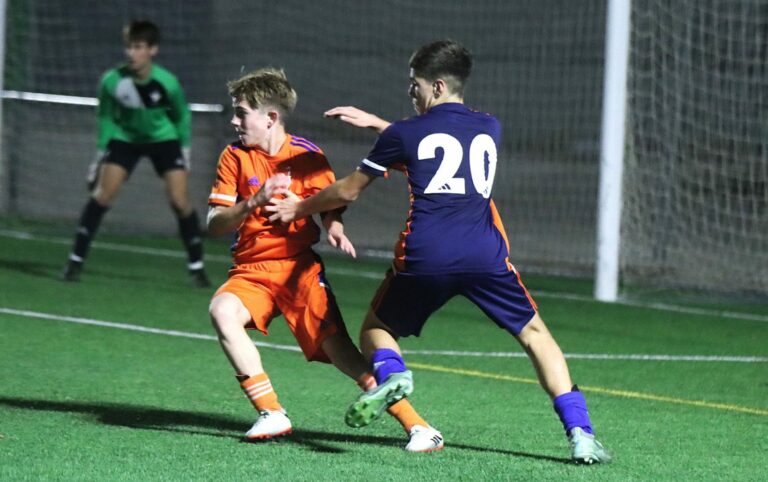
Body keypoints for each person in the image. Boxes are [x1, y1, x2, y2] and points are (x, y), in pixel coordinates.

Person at [266, 40, 611, 464]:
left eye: (415, 84)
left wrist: (299, 207)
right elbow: (440, 147)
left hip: (427, 256)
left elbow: (349, 191)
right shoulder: (490, 127)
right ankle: (581, 435)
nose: (411, 92)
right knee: (536, 336)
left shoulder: (405, 133)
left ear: (438, 86)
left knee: (375, 330)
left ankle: (394, 374)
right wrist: (381, 126)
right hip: (484, 255)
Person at [206, 68, 442, 452]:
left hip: (298, 269)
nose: (234, 121)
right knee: (222, 311)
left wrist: (334, 225)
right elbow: (215, 223)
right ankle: (271, 412)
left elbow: (328, 202)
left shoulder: (307, 154)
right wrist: (254, 201)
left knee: (340, 350)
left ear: (270, 117)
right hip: (251, 270)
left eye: (241, 112)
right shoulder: (233, 157)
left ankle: (419, 427)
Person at [61, 19, 209, 287]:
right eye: (129, 47)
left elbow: (181, 115)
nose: (131, 53)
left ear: (152, 49)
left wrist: (185, 151)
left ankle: (197, 267)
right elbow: (106, 117)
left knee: (179, 201)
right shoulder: (112, 81)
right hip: (126, 138)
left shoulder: (167, 82)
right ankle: (74, 262)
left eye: (138, 47)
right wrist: (99, 156)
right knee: (102, 196)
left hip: (163, 139)